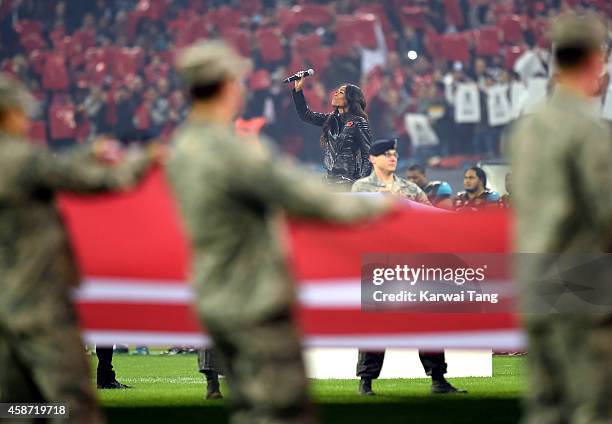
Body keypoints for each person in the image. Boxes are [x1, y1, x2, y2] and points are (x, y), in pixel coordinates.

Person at [166, 41, 393, 424]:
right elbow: (300, 194)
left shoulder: (180, 148)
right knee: (282, 407)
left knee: (249, 403)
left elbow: (366, 154)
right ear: (226, 85)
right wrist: (380, 205)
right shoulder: (240, 152)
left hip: (211, 287)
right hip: (258, 291)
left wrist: (366, 182)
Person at [0, 74, 158, 422]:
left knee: (17, 406)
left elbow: (52, 167)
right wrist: (143, 158)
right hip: (36, 304)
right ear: (9, 114)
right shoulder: (20, 159)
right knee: (73, 405)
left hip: (5, 306)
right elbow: (97, 181)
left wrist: (88, 151)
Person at [509, 12, 612, 424]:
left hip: (535, 282)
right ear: (595, 59)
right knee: (592, 408)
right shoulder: (589, 133)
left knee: (546, 408)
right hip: (582, 284)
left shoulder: (525, 131)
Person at [352, 139, 465, 395]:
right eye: (386, 154)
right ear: (372, 159)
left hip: (410, 264)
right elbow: (356, 222)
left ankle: (438, 379)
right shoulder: (362, 188)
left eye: (394, 154)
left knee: (427, 321)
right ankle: (366, 381)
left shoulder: (410, 189)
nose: (392, 158)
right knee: (375, 325)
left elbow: (430, 221)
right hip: (378, 264)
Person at [292, 73, 372, 191]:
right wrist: (298, 90)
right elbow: (305, 115)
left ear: (351, 99)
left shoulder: (358, 122)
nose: (335, 93)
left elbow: (368, 156)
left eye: (341, 92)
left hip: (349, 182)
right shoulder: (331, 119)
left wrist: (361, 184)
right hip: (330, 182)